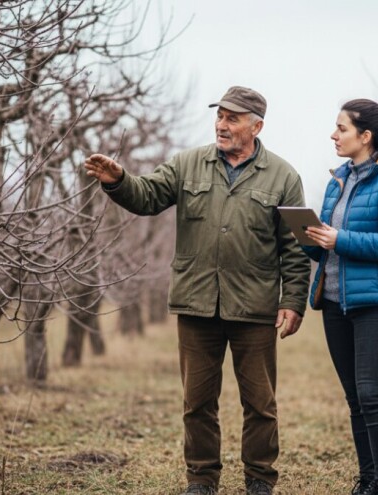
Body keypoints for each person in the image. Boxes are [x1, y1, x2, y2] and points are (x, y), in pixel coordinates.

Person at [83, 86, 311, 495]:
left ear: (256, 126)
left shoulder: (284, 176)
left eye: (233, 118)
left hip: (254, 307)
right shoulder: (188, 164)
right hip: (196, 303)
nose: (222, 125)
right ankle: (201, 480)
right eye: (220, 116)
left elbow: (293, 248)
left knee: (260, 403)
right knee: (197, 402)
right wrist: (119, 181)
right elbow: (149, 196)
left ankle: (260, 478)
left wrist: (293, 302)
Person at [302, 99, 378, 495]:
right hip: (335, 303)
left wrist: (339, 239)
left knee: (372, 395)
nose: (333, 135)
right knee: (355, 399)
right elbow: (326, 248)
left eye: (341, 129)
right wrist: (306, 237)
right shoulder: (339, 179)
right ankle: (367, 481)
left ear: (365, 136)